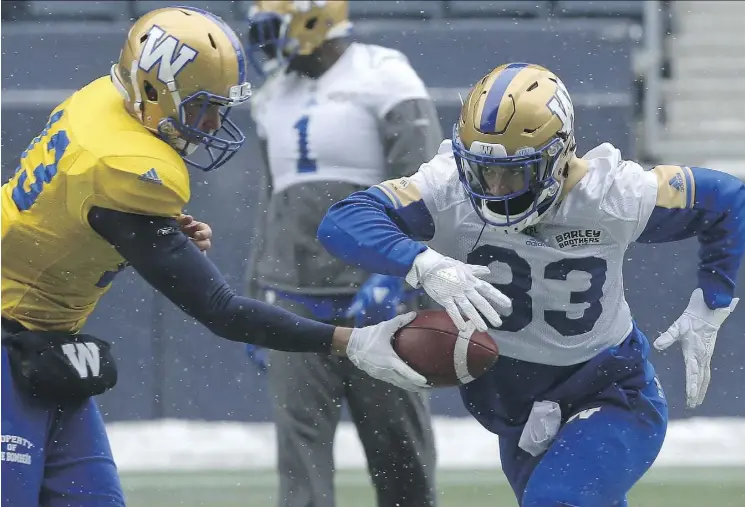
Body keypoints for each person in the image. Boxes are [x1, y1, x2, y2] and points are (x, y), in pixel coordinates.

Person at [0, 6, 428, 507]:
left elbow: (75, 215)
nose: (212, 122)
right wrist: (350, 342)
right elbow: (221, 311)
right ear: (154, 90)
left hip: (43, 340)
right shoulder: (124, 167)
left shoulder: (108, 101)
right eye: (201, 106)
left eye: (219, 106)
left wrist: (153, 231)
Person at [317, 62, 744, 506]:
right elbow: (341, 221)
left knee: (556, 501)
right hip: (515, 403)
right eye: (483, 171)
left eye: (515, 172)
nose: (496, 188)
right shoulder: (445, 189)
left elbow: (728, 199)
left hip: (608, 387)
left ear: (558, 157)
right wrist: (424, 264)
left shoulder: (612, 195)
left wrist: (712, 301)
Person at [242, 2, 442, 506]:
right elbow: (273, 200)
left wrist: (397, 274)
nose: (266, 35)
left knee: (403, 465)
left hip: (374, 301)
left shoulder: (383, 71)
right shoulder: (271, 95)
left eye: (277, 20)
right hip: (293, 299)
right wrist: (254, 292)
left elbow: (425, 185)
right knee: (300, 467)